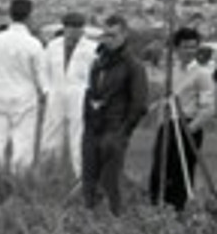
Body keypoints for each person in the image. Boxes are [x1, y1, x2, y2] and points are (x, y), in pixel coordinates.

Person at [82, 14, 148, 215]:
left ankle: (115, 223)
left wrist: (123, 132)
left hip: (115, 129)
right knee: (89, 180)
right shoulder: (98, 62)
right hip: (93, 128)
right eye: (106, 35)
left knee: (110, 183)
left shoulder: (133, 66)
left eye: (113, 35)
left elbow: (139, 105)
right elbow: (91, 91)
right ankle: (89, 222)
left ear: (124, 35)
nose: (108, 39)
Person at [148, 27, 215, 211]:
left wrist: (191, 129)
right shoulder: (172, 72)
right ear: (177, 48)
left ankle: (178, 212)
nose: (189, 51)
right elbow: (165, 97)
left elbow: (208, 108)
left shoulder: (203, 74)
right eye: (185, 47)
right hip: (168, 126)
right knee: (159, 171)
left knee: (181, 173)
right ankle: (157, 209)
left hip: (188, 126)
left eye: (193, 47)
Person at [0, 0, 44, 174]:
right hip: (24, 95)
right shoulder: (34, 44)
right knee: (23, 141)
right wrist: (43, 93)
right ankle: (19, 180)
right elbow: (40, 75)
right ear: (29, 16)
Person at [38, 11, 99, 178]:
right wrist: (46, 90)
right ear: (64, 28)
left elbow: (96, 74)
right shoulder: (53, 46)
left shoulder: (92, 48)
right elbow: (43, 70)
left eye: (77, 28)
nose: (74, 32)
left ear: (82, 29)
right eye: (70, 28)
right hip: (56, 92)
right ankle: (48, 173)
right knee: (51, 133)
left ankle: (81, 175)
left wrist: (92, 94)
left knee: (78, 136)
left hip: (79, 94)